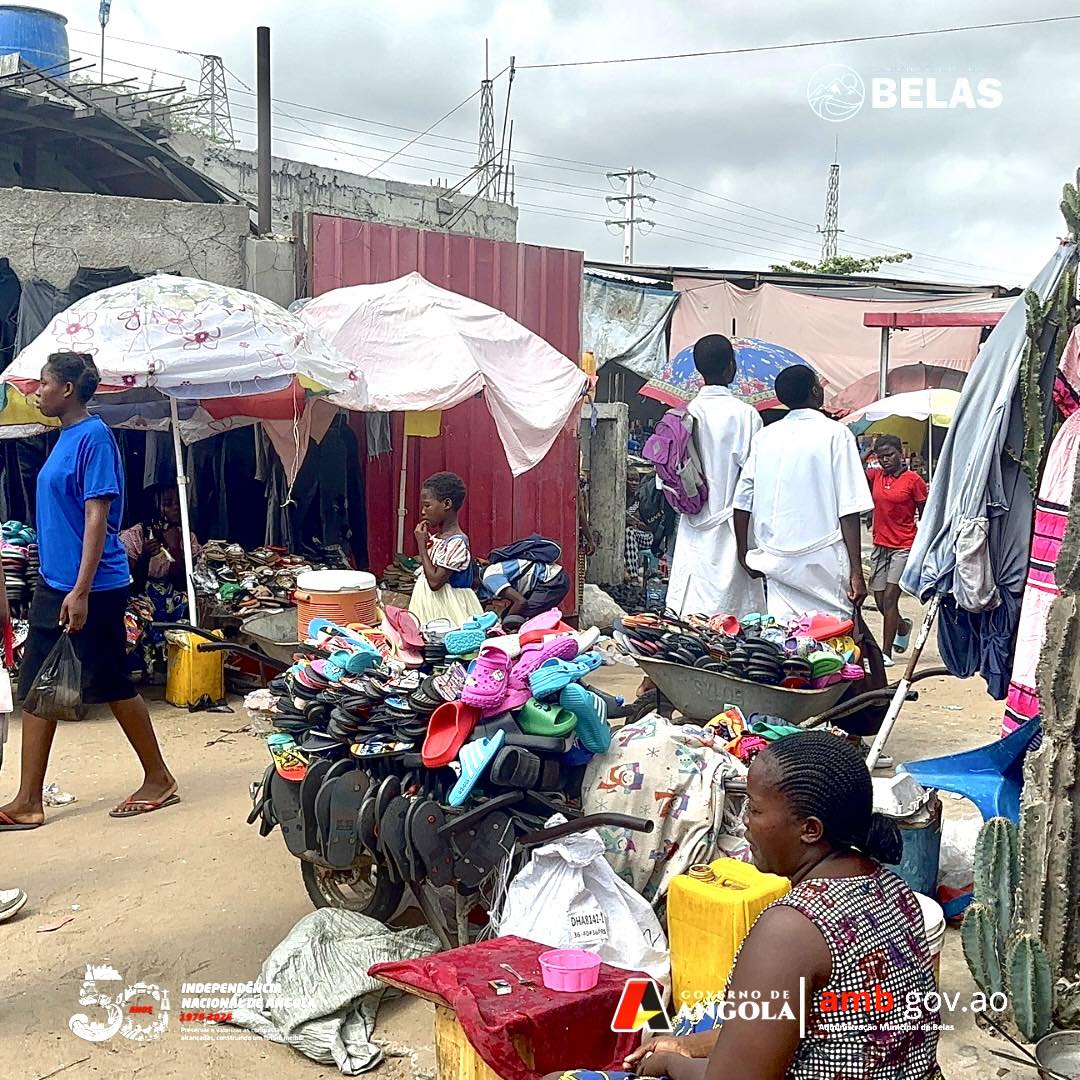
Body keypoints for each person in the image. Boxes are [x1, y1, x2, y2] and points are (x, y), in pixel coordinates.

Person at [550, 732, 940, 1080]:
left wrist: (669, 1064)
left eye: (753, 809)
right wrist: (688, 1046)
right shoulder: (893, 888)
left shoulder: (792, 929)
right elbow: (812, 1021)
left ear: (810, 829)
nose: (742, 822)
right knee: (694, 1024)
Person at [0, 352, 177, 830]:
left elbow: (98, 518)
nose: (37, 392)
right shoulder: (64, 437)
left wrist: (79, 592)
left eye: (43, 383)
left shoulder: (94, 438)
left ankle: (159, 778)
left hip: (92, 587)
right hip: (55, 583)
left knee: (113, 680)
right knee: (37, 684)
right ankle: (28, 800)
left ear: (67, 389)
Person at [733, 366, 873, 621]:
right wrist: (856, 573)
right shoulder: (836, 433)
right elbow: (849, 507)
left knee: (785, 633)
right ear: (814, 391)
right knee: (831, 635)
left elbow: (742, 500)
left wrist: (743, 554)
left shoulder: (765, 437)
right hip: (823, 561)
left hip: (776, 558)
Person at [668, 335, 765, 619]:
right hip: (734, 526)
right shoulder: (746, 416)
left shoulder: (682, 414)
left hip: (693, 523)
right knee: (736, 617)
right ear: (730, 367)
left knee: (690, 614)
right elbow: (755, 481)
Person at [120, 485, 202, 677]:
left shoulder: (186, 536)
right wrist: (144, 556)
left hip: (173, 592)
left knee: (192, 607)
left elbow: (187, 580)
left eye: (177, 503)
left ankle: (178, 665)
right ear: (154, 507)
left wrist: (175, 549)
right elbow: (129, 583)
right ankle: (141, 667)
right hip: (141, 594)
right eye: (168, 504)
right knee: (134, 614)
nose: (176, 508)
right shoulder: (134, 536)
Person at [863, 434, 928, 666]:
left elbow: (926, 513)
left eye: (890, 455)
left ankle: (886, 652)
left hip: (903, 545)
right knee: (879, 599)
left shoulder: (913, 480)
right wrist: (869, 452)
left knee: (890, 597)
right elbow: (855, 469)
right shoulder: (876, 476)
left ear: (901, 454)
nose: (885, 460)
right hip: (880, 544)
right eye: (881, 457)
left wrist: (924, 544)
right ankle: (902, 625)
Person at [408, 471, 483, 628]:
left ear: (447, 504)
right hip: (429, 607)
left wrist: (421, 546)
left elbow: (435, 582)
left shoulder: (457, 543)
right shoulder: (437, 538)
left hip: (448, 611)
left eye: (427, 505)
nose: (423, 512)